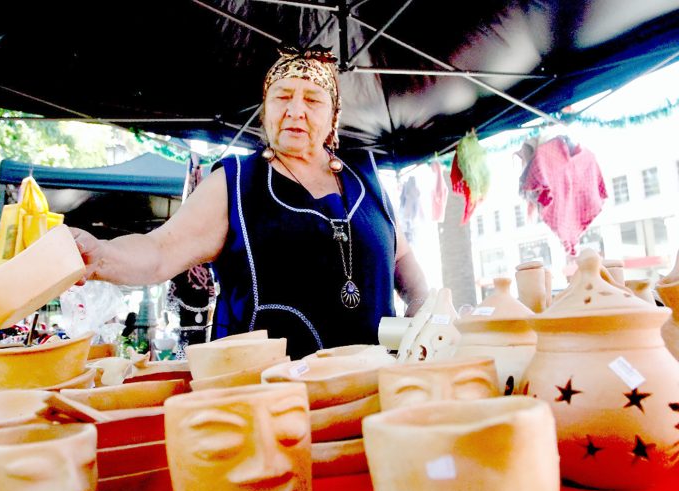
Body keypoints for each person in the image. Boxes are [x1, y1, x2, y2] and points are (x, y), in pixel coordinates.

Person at [71, 46, 428, 359]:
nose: (295, 110)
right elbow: (160, 252)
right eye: (282, 97)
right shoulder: (235, 183)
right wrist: (99, 256)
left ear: (333, 115)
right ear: (265, 111)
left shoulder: (365, 179)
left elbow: (400, 258)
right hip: (265, 395)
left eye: (313, 100)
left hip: (373, 388)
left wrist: (421, 306)